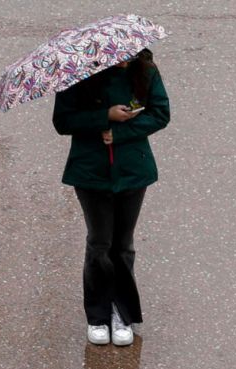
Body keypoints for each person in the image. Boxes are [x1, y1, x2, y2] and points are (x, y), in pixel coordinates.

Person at [52, 48, 170, 346]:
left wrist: (122, 132)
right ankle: (97, 316)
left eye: (130, 55)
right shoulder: (76, 75)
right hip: (90, 171)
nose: (125, 60)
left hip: (133, 170)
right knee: (100, 243)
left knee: (122, 245)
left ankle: (122, 314)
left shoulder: (146, 71)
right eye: (118, 56)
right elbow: (62, 121)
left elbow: (160, 113)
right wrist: (104, 116)